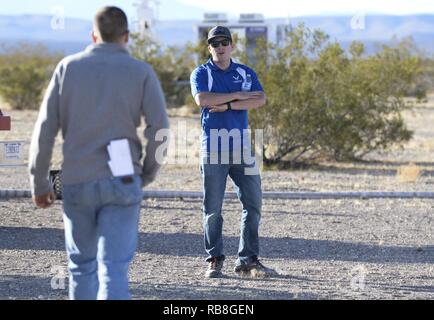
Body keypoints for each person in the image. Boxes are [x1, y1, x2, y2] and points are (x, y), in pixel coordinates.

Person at [28, 6, 169, 299]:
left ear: (93, 35)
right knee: (114, 268)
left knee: (81, 266)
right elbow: (160, 129)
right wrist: (147, 173)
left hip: (78, 179)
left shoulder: (67, 68)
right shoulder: (141, 72)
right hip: (122, 179)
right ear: (126, 36)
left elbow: (44, 130)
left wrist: (40, 183)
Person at [190, 26, 274, 278]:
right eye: (214, 43)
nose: (220, 46)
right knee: (213, 208)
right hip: (213, 146)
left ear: (232, 45)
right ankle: (215, 260)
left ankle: (247, 260)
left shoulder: (245, 72)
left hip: (242, 147)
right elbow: (203, 99)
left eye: (224, 42)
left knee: (253, 203)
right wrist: (238, 95)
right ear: (209, 48)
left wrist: (226, 103)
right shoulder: (202, 72)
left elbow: (259, 99)